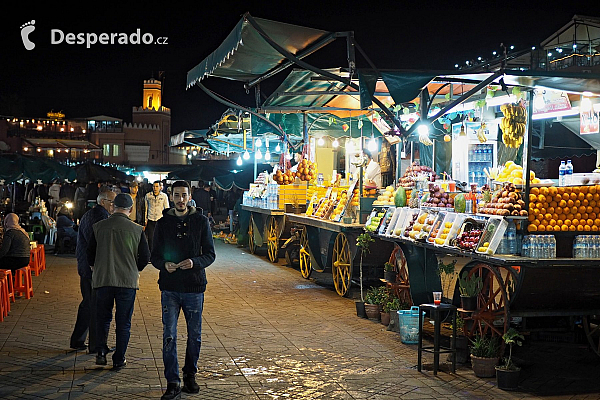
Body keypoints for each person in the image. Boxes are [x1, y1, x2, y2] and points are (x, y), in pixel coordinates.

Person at [151, 180, 216, 400]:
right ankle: (172, 381)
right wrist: (163, 265)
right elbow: (154, 256)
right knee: (169, 335)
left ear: (190, 196)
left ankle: (190, 375)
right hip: (169, 287)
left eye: (184, 195)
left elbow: (210, 254)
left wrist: (195, 262)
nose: (180, 200)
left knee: (194, 336)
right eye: (177, 195)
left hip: (194, 287)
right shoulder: (162, 223)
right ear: (171, 196)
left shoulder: (201, 222)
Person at [87, 193, 150, 369]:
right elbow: (145, 257)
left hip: (103, 280)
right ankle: (119, 358)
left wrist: (96, 267)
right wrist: (134, 268)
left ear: (113, 207)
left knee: (103, 318)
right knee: (124, 322)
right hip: (127, 282)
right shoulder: (137, 230)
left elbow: (89, 254)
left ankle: (100, 351)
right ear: (130, 209)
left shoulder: (99, 227)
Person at [70, 189, 116, 352]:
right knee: (95, 305)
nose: (114, 206)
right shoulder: (100, 216)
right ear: (103, 202)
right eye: (112, 202)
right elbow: (96, 243)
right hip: (92, 268)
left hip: (86, 266)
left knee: (88, 303)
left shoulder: (91, 214)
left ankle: (78, 340)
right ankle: (95, 345)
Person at [144, 181, 170, 251]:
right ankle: (151, 254)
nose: (155, 188)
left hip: (160, 219)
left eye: (157, 186)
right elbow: (145, 208)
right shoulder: (148, 196)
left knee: (160, 237)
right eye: (154, 186)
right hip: (151, 219)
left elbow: (167, 208)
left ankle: (159, 252)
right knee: (151, 238)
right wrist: (145, 220)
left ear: (160, 187)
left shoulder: (164, 196)